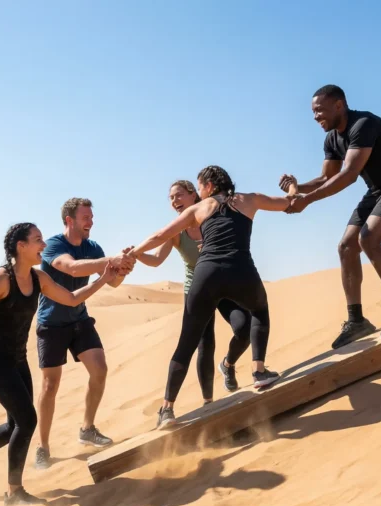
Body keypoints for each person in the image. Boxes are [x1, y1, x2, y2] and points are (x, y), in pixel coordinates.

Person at [0, 223, 119, 504]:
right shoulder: (2, 279)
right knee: (27, 420)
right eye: (37, 240)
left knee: (14, 424)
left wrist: (103, 278)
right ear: (21, 246)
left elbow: (71, 298)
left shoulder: (38, 277)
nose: (43, 244)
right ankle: (14, 492)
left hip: (16, 358)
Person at [129, 166, 289, 428]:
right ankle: (258, 371)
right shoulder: (249, 199)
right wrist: (293, 188)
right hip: (240, 271)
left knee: (186, 342)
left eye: (199, 186)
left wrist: (131, 252)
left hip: (206, 277)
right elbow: (287, 203)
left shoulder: (198, 210)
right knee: (259, 310)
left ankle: (166, 408)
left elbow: (159, 235)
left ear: (208, 187)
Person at [281, 84, 381, 348]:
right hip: (378, 190)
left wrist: (307, 201)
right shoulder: (331, 139)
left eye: (320, 110)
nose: (316, 117)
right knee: (346, 246)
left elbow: (348, 176)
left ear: (339, 105)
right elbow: (327, 178)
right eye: (313, 112)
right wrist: (298, 186)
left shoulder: (364, 124)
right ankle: (356, 320)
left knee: (368, 239)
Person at [32, 198, 134, 470]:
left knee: (99, 370)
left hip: (80, 320)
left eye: (91, 217)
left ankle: (87, 428)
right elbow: (72, 268)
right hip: (51, 324)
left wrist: (122, 269)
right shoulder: (54, 245)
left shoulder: (93, 247)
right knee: (49, 385)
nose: (91, 221)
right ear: (70, 220)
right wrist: (110, 261)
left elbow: (113, 282)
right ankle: (42, 446)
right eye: (85, 217)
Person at [135, 180, 254, 402]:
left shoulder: (211, 218)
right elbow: (156, 260)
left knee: (245, 327)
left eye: (178, 195)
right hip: (197, 290)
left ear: (193, 195)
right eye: (171, 198)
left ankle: (228, 364)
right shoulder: (177, 230)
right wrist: (136, 254)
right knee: (205, 345)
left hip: (224, 284)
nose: (174, 201)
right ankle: (208, 402)